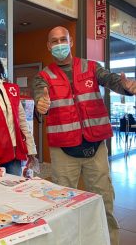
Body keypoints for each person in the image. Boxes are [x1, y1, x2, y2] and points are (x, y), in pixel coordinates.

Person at [34, 26, 136, 245]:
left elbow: (110, 79)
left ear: (71, 42)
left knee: (104, 203)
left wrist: (126, 87)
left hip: (96, 148)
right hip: (64, 153)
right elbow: (39, 96)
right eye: (55, 41)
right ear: (49, 46)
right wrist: (40, 104)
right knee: (63, 208)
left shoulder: (91, 67)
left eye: (64, 39)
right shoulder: (44, 76)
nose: (60, 44)